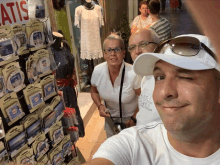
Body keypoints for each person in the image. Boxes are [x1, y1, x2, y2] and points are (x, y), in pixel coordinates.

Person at [84, 34, 220, 165]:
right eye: (159, 77)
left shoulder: (132, 74)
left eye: (185, 77)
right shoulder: (136, 144)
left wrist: (132, 117)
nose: (164, 92)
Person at [90, 34, 141, 138]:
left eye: (117, 49)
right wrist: (99, 105)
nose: (113, 54)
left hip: (131, 120)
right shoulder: (98, 71)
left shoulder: (133, 72)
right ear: (104, 54)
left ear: (123, 53)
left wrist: (134, 118)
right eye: (109, 50)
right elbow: (94, 91)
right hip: (111, 121)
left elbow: (143, 97)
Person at [51, 31, 85, 138]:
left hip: (69, 88)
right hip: (60, 90)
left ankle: (77, 133)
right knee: (64, 115)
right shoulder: (50, 52)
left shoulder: (65, 47)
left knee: (74, 110)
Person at [128, 29, 162, 125]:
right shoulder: (145, 76)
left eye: (143, 44)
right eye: (132, 47)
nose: (137, 51)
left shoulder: (168, 77)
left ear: (158, 46)